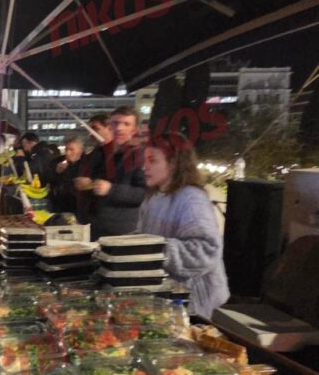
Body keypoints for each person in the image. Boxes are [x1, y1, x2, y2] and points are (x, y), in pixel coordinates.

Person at [136, 132, 230, 318]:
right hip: (168, 300)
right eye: (144, 160)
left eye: (152, 160)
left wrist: (152, 248)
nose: (144, 166)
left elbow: (206, 250)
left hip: (197, 306)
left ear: (173, 163)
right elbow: (144, 236)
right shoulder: (153, 197)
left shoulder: (191, 199)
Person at [74, 106, 146, 239]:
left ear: (134, 130)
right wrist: (88, 184)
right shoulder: (99, 153)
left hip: (122, 232)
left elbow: (145, 194)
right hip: (93, 227)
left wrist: (111, 189)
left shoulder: (139, 155)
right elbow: (97, 184)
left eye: (126, 124)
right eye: (115, 123)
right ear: (110, 126)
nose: (119, 128)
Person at [50, 135, 86, 214]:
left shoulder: (87, 164)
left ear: (80, 150)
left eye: (71, 150)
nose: (68, 153)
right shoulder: (57, 162)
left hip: (79, 207)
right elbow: (50, 183)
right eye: (66, 149)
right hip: (60, 206)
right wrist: (57, 172)